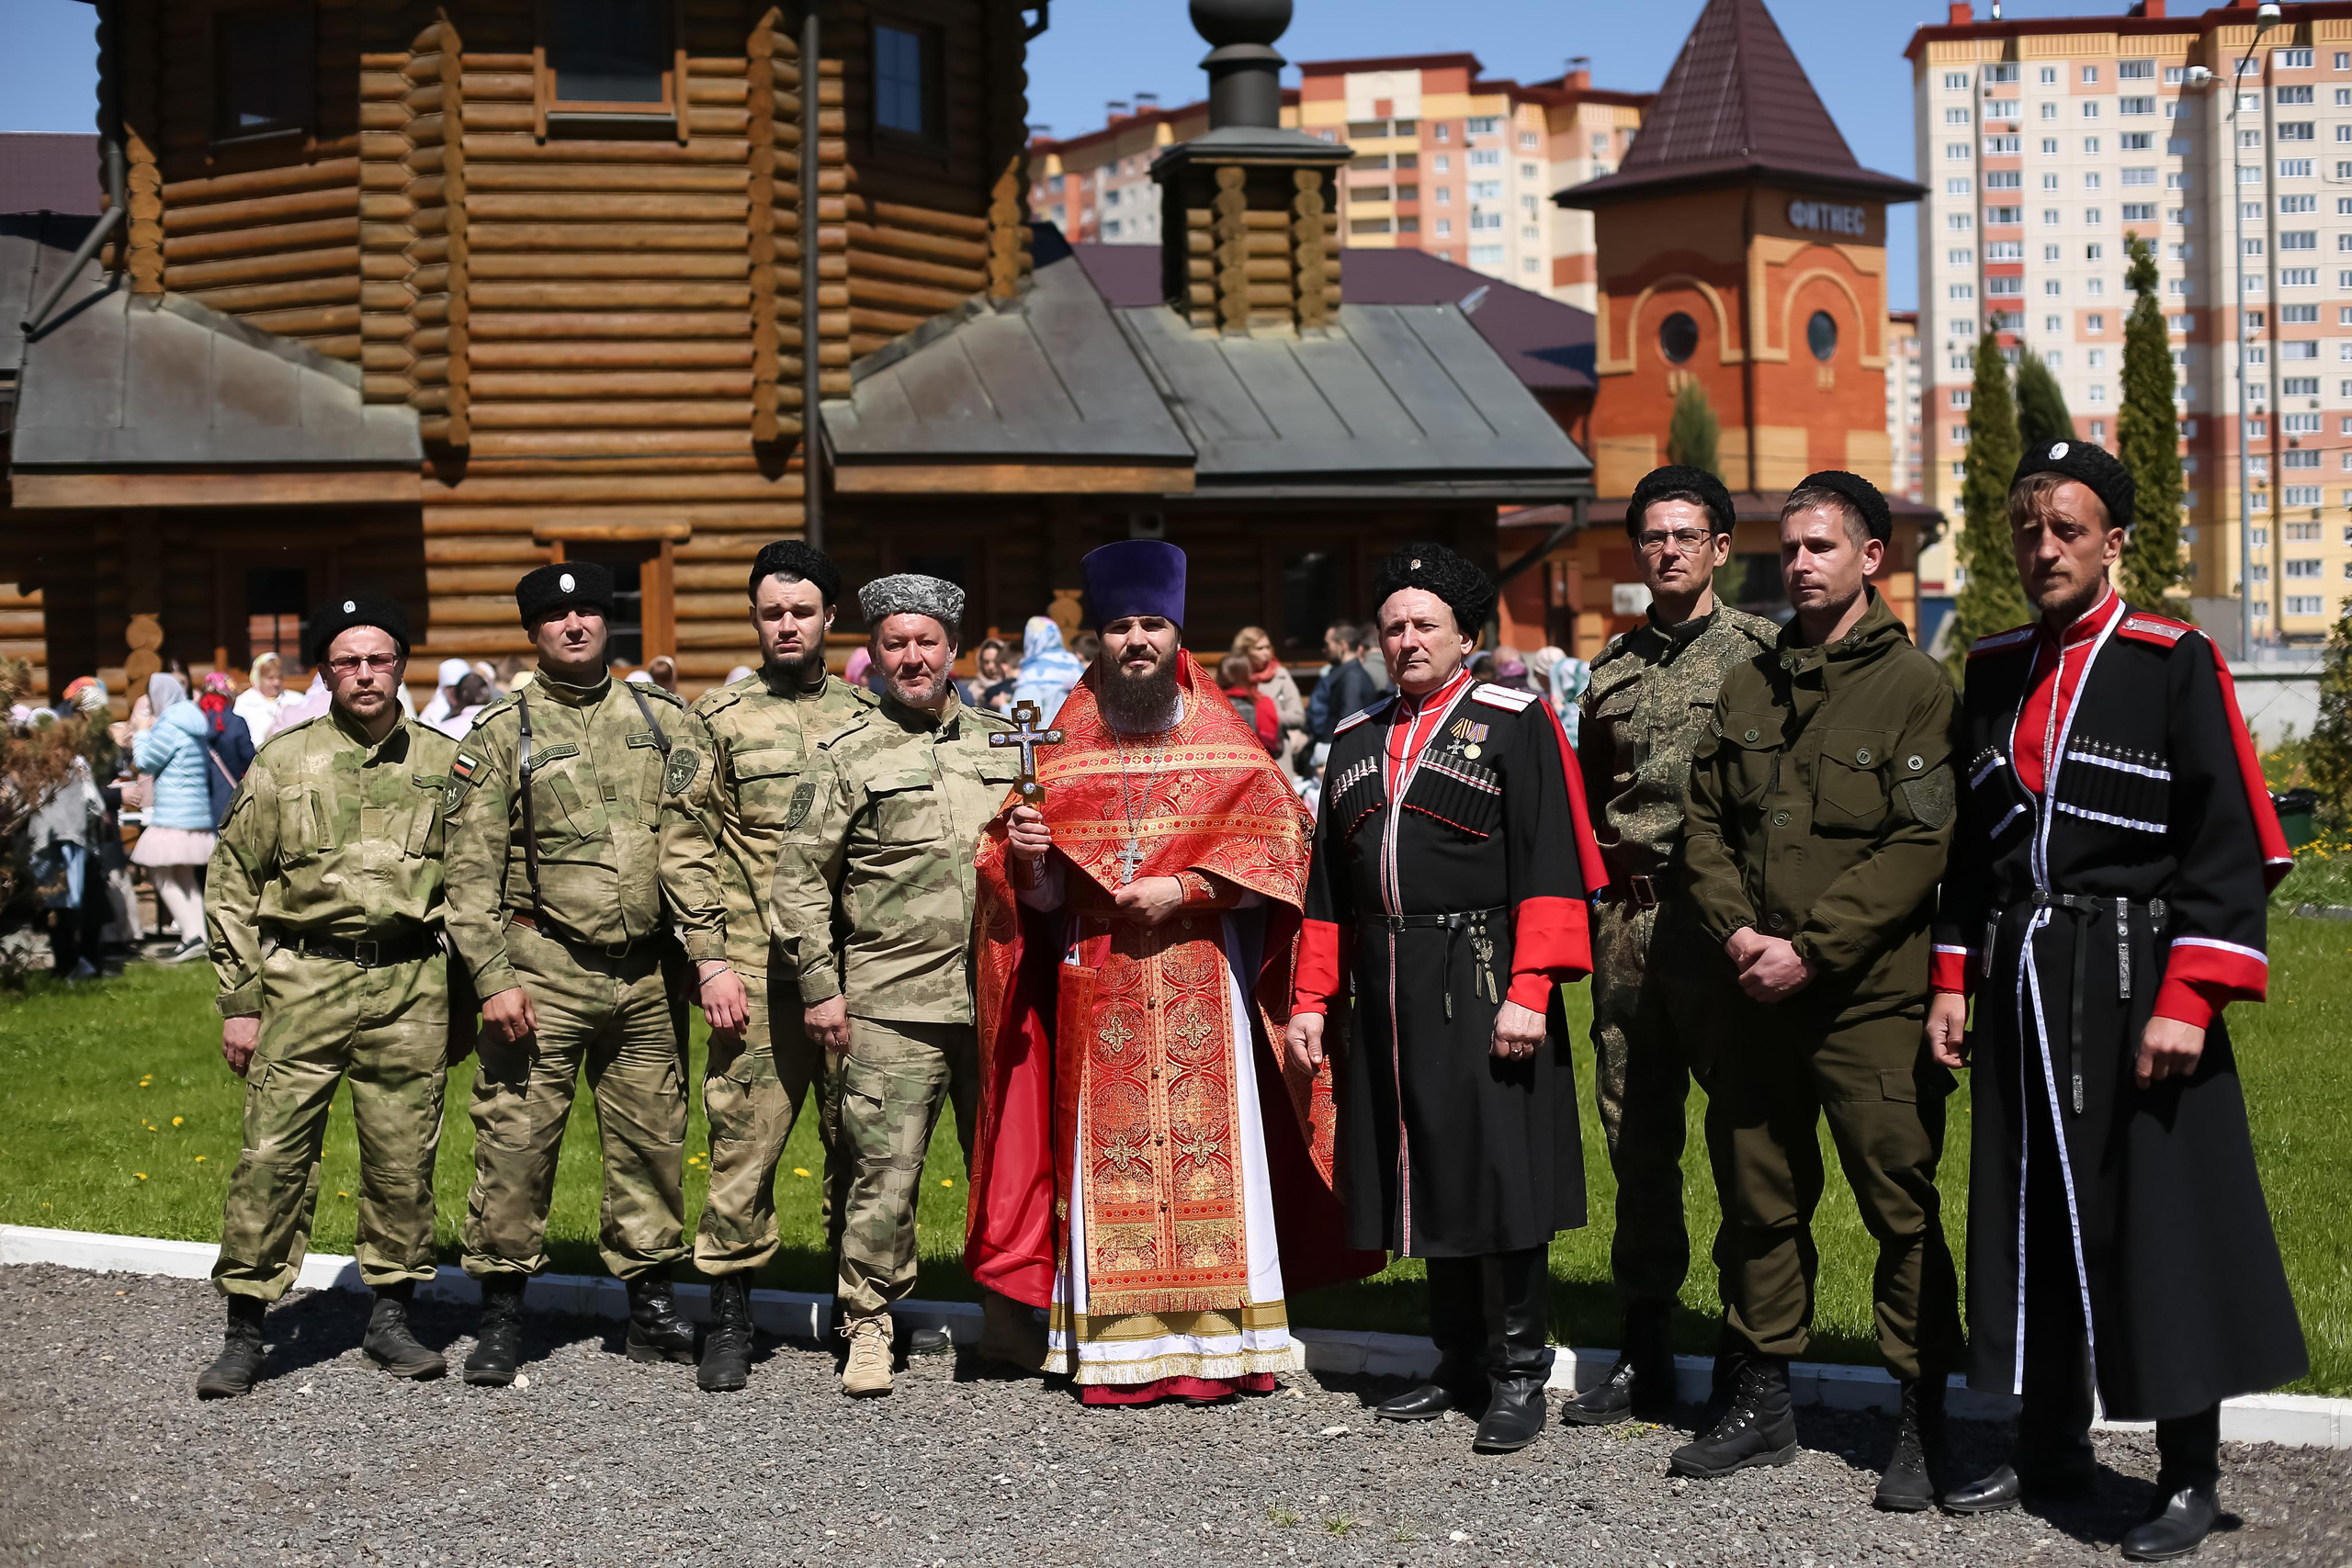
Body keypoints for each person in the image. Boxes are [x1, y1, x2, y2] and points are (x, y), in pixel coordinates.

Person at [1930, 442, 2306, 1560]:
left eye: (2068, 531)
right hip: (2020, 979)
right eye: (2027, 532)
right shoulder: (1992, 667)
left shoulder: (2172, 660)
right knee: (2028, 1215)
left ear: (2114, 541)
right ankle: (2048, 1440)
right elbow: (1966, 852)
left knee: (2164, 1218)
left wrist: (2190, 998)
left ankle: (2188, 1472)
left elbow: (2228, 847)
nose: (2043, 550)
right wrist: (1952, 977)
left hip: (2141, 975)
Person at [967, 540, 1373, 1406]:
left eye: (1152, 623)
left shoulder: (1223, 736)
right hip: (1094, 972)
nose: (1137, 640)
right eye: (1120, 626)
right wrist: (1031, 862)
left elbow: (1281, 843)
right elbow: (1027, 900)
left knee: (1209, 1153)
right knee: (1106, 1157)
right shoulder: (1060, 739)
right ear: (1099, 639)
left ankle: (1227, 1343)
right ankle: (1115, 1351)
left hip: (1202, 972)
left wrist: (1183, 887)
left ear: (1177, 631)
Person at [1671, 471, 1964, 1509]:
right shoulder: (1751, 682)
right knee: (1758, 1200)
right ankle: (1762, 1400)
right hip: (1753, 993)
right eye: (1787, 549)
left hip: (1864, 1005)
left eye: (1820, 547)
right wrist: (1741, 932)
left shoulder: (1916, 688)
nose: (1797, 564)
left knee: (1901, 1206)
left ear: (1871, 557)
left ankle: (1925, 1421)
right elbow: (1702, 821)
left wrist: (1813, 947)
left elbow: (1920, 844)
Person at [1286, 544, 1607, 1455]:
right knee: (1423, 1163)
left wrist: (1531, 990)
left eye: (1424, 623)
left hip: (1483, 976)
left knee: (1498, 1172)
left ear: (1464, 634)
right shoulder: (1351, 742)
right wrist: (1312, 1001)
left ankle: (1516, 1374)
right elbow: (1325, 894)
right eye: (1393, 625)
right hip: (1388, 988)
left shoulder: (1516, 721)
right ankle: (1456, 1359)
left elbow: (1550, 861)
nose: (1406, 639)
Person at [441, 561, 711, 1386]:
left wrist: (705, 955)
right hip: (541, 968)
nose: (575, 626)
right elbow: (468, 870)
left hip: (645, 976)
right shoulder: (501, 731)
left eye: (589, 611)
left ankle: (651, 1303)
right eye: (557, 617)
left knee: (652, 1142)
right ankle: (500, 1313)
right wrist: (492, 978)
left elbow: (696, 842)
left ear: (609, 623)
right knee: (517, 1141)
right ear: (535, 632)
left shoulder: (663, 720)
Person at [192, 594, 460, 1398]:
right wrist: (239, 999)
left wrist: (482, 996)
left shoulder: (447, 765)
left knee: (402, 1157)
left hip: (412, 983)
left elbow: (480, 885)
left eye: (379, 659)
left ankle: (391, 1316)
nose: (366, 674)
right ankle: (246, 1325)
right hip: (302, 981)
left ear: (402, 665)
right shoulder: (283, 761)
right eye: (348, 661)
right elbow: (231, 881)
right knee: (272, 1155)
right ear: (326, 673)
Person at [769, 573, 1026, 1397]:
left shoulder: (1003, 744)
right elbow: (801, 880)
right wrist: (819, 987)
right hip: (890, 1003)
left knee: (1006, 1168)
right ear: (873, 653)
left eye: (926, 642)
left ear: (954, 649)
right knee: (883, 1174)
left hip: (994, 998)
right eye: (895, 644)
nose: (912, 658)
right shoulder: (846, 756)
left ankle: (1016, 1316)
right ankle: (869, 1322)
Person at [1560, 466, 1779, 1428]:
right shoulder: (1609, 669)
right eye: (1652, 537)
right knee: (1634, 1138)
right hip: (1627, 928)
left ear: (1721, 548)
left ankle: (1748, 1347)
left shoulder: (1764, 655)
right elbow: (1586, 802)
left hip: (1719, 926)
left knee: (1745, 1139)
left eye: (1686, 535)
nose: (1668, 551)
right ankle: (1645, 1341)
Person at [662, 541, 873, 1393]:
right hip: (750, 971)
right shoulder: (715, 720)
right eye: (771, 612)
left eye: (802, 611)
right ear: (755, 619)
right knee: (744, 1139)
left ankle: (858, 1309)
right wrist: (710, 960)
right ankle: (732, 1313)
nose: (786, 625)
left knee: (858, 1141)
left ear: (829, 619)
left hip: (854, 970)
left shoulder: (868, 716)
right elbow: (683, 847)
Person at [130, 672, 218, 963]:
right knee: (183, 875)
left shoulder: (170, 725)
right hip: (196, 812)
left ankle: (192, 935)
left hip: (174, 813)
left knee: (158, 872)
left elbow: (145, 762)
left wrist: (141, 732)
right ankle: (197, 937)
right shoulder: (192, 720)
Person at [1233, 625, 1308, 764]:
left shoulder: (1280, 675)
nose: (1267, 652)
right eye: (1260, 648)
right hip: (1243, 756)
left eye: (1268, 647)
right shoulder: (1233, 677)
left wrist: (1267, 715)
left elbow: (1298, 716)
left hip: (1276, 755)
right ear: (1245, 651)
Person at [1308, 621, 1380, 744]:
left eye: (1328, 644)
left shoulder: (1352, 677)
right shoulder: (1346, 674)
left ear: (1343, 645)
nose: (1325, 649)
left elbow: (1349, 721)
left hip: (1339, 747)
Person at [1012, 614, 1083, 722]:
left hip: (1046, 735)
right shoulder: (1072, 661)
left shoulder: (1033, 670)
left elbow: (1023, 715)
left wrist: (1002, 705)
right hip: (1076, 732)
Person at [1217, 651, 1283, 757]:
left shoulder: (1212, 706)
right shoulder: (1264, 704)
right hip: (1259, 768)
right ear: (1247, 675)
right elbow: (1278, 748)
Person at [418, 657, 473, 731]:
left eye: (458, 687)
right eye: (450, 687)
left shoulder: (478, 711)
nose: (454, 692)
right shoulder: (430, 717)